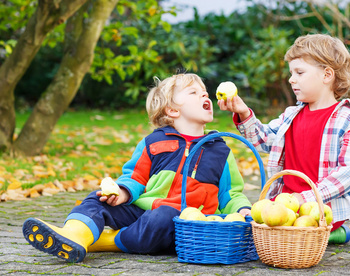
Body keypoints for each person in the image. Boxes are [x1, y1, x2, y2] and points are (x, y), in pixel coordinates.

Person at [23, 73, 252, 263]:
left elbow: (230, 194)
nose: (204, 94)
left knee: (163, 218)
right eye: (193, 92)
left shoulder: (220, 151)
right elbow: (135, 176)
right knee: (97, 199)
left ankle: (104, 242)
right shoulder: (154, 142)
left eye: (204, 91)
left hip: (186, 222)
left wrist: (243, 210)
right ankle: (73, 233)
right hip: (143, 207)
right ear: (172, 111)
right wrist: (122, 192)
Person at [218, 34, 350, 244]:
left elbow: (349, 172)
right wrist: (244, 114)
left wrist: (305, 198)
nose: (291, 79)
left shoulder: (348, 122)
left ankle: (335, 232)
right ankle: (328, 236)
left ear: (327, 75)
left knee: (283, 234)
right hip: (283, 202)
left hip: (321, 207)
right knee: (253, 228)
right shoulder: (291, 115)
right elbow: (264, 140)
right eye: (291, 73)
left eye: (299, 72)